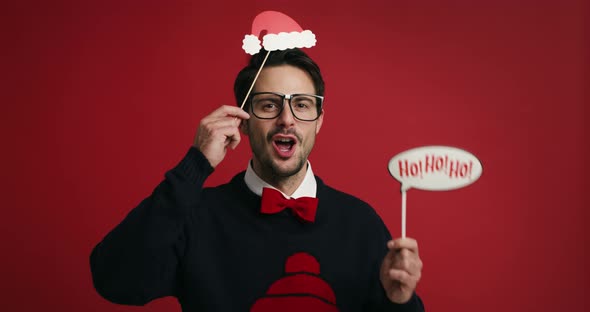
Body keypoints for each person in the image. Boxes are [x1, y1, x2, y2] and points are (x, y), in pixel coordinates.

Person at [90, 48, 425, 311]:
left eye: (302, 105)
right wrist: (195, 165)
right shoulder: (197, 215)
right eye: (268, 105)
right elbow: (115, 282)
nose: (286, 120)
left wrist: (398, 302)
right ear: (243, 120)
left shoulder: (360, 223)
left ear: (319, 121)